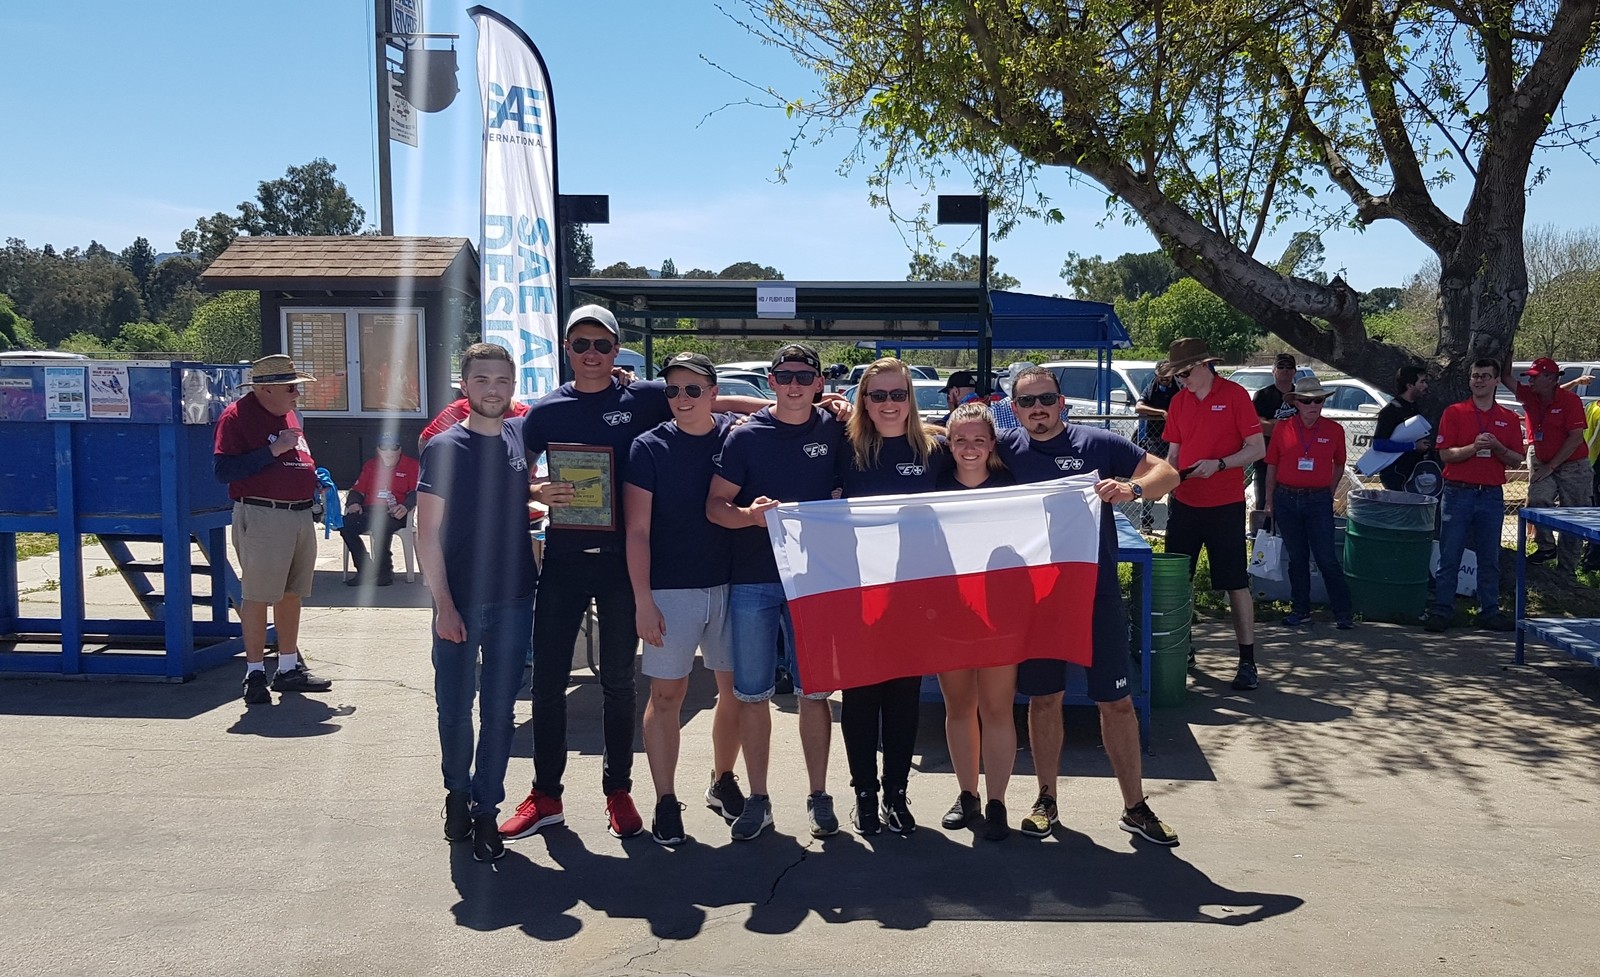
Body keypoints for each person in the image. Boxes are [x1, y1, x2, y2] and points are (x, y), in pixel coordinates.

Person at [501, 306, 770, 843]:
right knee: (549, 682)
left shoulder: (645, 397)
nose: (593, 353)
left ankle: (618, 791)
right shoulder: (547, 411)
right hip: (564, 558)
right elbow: (514, 472)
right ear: (567, 349)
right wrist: (536, 491)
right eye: (582, 344)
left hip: (623, 564)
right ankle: (546, 795)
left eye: (602, 344)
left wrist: (792, 403)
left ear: (617, 349)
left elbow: (713, 398)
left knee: (619, 683)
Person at [996, 366, 1183, 845]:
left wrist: (1132, 489)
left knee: (1116, 702)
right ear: (1014, 409)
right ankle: (1046, 799)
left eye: (1046, 399)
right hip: (1038, 598)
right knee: (1044, 699)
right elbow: (947, 439)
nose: (1038, 409)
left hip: (1094, 592)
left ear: (1062, 402)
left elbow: (1168, 473)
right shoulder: (1006, 449)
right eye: (1027, 402)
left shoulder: (1096, 443)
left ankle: (1135, 806)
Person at [707, 342, 845, 841]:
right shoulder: (746, 437)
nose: (794, 385)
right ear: (771, 381)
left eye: (804, 377)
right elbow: (715, 505)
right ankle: (759, 798)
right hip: (755, 580)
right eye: (785, 376)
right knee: (751, 694)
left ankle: (819, 795)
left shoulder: (837, 428)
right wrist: (748, 516)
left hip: (813, 582)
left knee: (815, 693)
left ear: (819, 384)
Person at [414, 343, 541, 863]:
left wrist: (542, 494)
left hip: (514, 597)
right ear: (465, 387)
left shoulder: (518, 436)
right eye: (483, 380)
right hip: (460, 602)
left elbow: (511, 497)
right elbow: (426, 533)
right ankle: (457, 793)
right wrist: (443, 605)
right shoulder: (445, 447)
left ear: (513, 387)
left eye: (502, 381)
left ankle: (487, 808)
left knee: (499, 711)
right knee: (453, 708)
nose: (493, 389)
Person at [623, 353, 746, 847]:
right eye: (672, 390)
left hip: (731, 584)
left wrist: (830, 405)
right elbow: (637, 531)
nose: (681, 399)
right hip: (669, 590)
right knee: (666, 696)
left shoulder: (734, 435)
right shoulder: (648, 447)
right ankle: (665, 800)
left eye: (693, 389)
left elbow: (774, 408)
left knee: (736, 692)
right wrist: (642, 600)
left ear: (713, 393)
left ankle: (722, 780)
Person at [839, 358, 948, 837]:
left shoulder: (934, 449)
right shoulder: (844, 448)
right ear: (863, 400)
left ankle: (896, 795)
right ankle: (864, 794)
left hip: (914, 594)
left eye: (897, 394)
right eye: (878, 395)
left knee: (904, 699)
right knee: (861, 698)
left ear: (911, 399)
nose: (888, 404)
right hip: (856, 590)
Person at [213, 354, 334, 705]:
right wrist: (273, 450)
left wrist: (314, 479)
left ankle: (288, 668)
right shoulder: (236, 417)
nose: (297, 394)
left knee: (292, 593)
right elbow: (224, 471)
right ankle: (254, 673)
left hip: (299, 514)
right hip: (263, 513)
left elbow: (296, 457)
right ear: (265, 389)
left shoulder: (289, 414)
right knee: (258, 595)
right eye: (291, 388)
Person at [1162, 337, 1267, 691]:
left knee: (1235, 583)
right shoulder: (1178, 402)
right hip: (1185, 503)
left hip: (1225, 505)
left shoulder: (1235, 395)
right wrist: (1163, 482)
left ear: (1204, 366)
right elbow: (1173, 456)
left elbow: (1257, 448)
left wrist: (1220, 464)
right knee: (1178, 582)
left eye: (1185, 373)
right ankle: (1181, 648)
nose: (1182, 381)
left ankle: (1247, 661)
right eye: (1177, 376)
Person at [934, 401, 1017, 841]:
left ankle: (997, 801)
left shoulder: (1013, 486)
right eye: (960, 439)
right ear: (948, 443)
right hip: (950, 612)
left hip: (1000, 613)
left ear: (992, 444)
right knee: (959, 707)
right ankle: (967, 794)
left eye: (978, 440)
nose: (969, 448)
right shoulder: (932, 485)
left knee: (997, 708)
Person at [1425, 358, 1525, 632]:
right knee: (1450, 555)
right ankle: (1442, 610)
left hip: (1490, 495)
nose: (1479, 381)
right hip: (1458, 493)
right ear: (1469, 381)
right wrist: (1473, 447)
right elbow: (1446, 455)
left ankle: (1489, 611)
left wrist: (1498, 447)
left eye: (1485, 376)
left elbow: (1517, 459)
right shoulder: (1455, 412)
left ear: (1496, 381)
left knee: (1489, 558)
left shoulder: (1508, 417)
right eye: (1475, 376)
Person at [1262, 377, 1355, 629]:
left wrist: (1329, 491)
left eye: (1318, 400)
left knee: (1326, 558)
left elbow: (1339, 464)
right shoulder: (1283, 428)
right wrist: (1269, 500)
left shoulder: (1334, 430)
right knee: (1297, 558)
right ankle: (1300, 609)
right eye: (1306, 401)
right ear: (1296, 403)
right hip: (1286, 499)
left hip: (1318, 500)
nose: (1313, 405)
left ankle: (1343, 612)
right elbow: (1272, 465)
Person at [1502, 357, 1592, 571]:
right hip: (1542, 461)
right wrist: (1508, 352)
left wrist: (1552, 465)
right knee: (1537, 499)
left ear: (1551, 379)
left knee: (1573, 515)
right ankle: (1546, 546)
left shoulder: (1570, 401)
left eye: (1535, 377)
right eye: (1529, 377)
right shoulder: (1529, 396)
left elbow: (1575, 438)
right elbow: (1506, 378)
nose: (1530, 381)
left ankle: (1567, 570)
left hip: (1573, 465)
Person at [340, 435, 420, 587]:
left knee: (381, 527)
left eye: (393, 448)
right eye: (384, 447)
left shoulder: (411, 465)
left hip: (394, 511)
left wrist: (406, 506)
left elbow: (415, 492)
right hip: (370, 510)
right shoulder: (371, 465)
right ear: (378, 449)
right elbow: (357, 490)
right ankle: (365, 569)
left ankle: (385, 571)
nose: (389, 452)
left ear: (400, 449)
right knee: (345, 525)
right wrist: (353, 503)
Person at [1370, 366, 1433, 492]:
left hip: (1415, 471)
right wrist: (1413, 446)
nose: (1426, 386)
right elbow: (1378, 444)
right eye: (1422, 382)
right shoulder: (1391, 410)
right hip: (1396, 474)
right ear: (1410, 385)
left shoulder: (1416, 406)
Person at [1251, 353, 1301, 511]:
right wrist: (1289, 427)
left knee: (1291, 506)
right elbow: (1257, 426)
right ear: (1273, 370)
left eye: (1289, 367)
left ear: (1295, 371)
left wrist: (1274, 423)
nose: (1285, 370)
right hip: (1265, 460)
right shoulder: (1262, 395)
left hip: (1295, 459)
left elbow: (1307, 426)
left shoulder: (1301, 396)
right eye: (1281, 366)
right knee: (1265, 504)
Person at [1135, 361, 1179, 530]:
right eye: (1161, 377)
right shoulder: (1151, 387)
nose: (1164, 381)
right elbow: (1139, 407)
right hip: (1155, 439)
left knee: (1175, 479)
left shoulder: (1179, 386)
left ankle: (1172, 521)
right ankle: (1146, 520)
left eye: (1167, 377)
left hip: (1175, 439)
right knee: (1152, 478)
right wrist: (1161, 413)